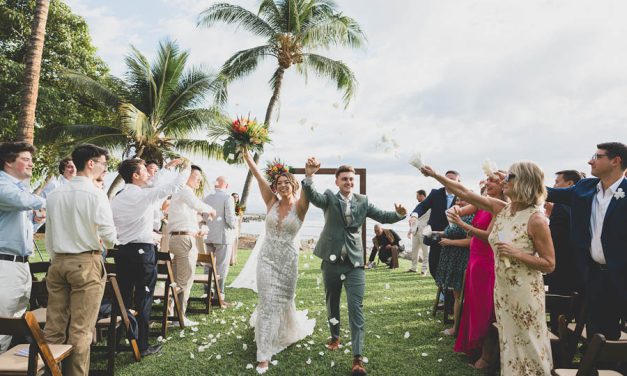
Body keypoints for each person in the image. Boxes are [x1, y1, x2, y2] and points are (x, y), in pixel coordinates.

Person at [421, 163, 555, 375]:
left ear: (524, 182)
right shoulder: (501, 209)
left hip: (524, 293)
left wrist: (517, 253)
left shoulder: (536, 219)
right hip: (502, 289)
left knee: (527, 342)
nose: (503, 181)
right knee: (508, 340)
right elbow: (464, 192)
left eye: (509, 177)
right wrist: (435, 175)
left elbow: (549, 263)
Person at [302, 158, 406, 376]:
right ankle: (335, 336)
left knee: (355, 307)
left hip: (355, 263)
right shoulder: (329, 198)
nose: (349, 182)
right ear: (337, 181)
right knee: (332, 302)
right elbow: (313, 197)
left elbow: (383, 216)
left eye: (351, 179)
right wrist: (309, 176)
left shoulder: (363, 201)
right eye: (345, 179)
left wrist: (399, 214)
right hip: (331, 261)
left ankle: (357, 358)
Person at [44, 144, 118, 376]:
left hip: (58, 263)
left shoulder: (55, 194)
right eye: (104, 164)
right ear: (90, 163)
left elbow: (49, 234)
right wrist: (107, 242)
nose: (105, 168)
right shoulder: (95, 194)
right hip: (85, 263)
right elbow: (110, 236)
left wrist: (56, 258)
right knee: (81, 330)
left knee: (54, 328)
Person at [241, 151, 315, 374]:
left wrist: (309, 175)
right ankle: (263, 355)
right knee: (267, 301)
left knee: (283, 301)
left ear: (293, 184)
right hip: (266, 259)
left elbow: (308, 190)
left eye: (286, 182)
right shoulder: (271, 201)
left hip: (287, 262)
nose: (282, 185)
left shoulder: (301, 207)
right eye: (279, 183)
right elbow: (257, 176)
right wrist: (246, 154)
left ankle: (280, 332)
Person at [546, 142, 627, 341]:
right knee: (599, 333)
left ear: (616, 161)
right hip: (596, 276)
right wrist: (522, 177)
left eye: (597, 156)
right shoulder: (584, 188)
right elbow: (550, 193)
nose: (590, 160)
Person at [111, 158, 188, 356]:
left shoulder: (118, 197)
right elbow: (174, 185)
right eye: (145, 171)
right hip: (142, 253)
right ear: (135, 176)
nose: (149, 174)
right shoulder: (143, 197)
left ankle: (121, 340)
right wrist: (185, 169)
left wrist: (168, 167)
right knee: (144, 299)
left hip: (122, 253)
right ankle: (142, 346)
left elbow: (154, 182)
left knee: (125, 298)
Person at [448, 174, 503, 368]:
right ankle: (473, 347)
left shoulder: (500, 206)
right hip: (474, 260)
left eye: (494, 181)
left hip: (487, 262)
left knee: (485, 309)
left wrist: (463, 226)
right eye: (487, 180)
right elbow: (463, 207)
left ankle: (487, 356)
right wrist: (456, 209)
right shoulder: (483, 202)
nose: (488, 183)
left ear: (504, 185)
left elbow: (488, 236)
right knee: (472, 305)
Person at [0, 142, 46, 353]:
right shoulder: (3, 185)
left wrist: (35, 221)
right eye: (25, 159)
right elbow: (19, 201)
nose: (31, 164)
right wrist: (49, 201)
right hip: (4, 264)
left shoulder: (19, 190)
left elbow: (17, 226)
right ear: (9, 162)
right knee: (3, 324)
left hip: (21, 265)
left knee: (14, 321)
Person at [167, 165, 216, 326]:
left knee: (175, 279)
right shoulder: (184, 189)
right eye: (196, 177)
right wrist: (211, 209)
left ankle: (171, 314)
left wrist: (198, 230)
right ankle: (179, 317)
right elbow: (196, 204)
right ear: (187, 175)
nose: (199, 181)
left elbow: (185, 219)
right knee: (184, 280)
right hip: (183, 240)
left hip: (180, 238)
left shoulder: (181, 193)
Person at [435, 198, 473, 336]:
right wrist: (438, 234)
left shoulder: (471, 217)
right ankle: (457, 326)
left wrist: (450, 242)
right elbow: (450, 232)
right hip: (451, 258)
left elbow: (471, 242)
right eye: (457, 200)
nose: (459, 202)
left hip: (462, 258)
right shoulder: (455, 216)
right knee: (456, 294)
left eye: (463, 200)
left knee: (460, 294)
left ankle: (457, 328)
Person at [411, 171, 460, 279]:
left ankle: (446, 294)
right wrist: (414, 215)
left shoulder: (463, 195)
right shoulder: (435, 193)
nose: (448, 181)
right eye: (446, 178)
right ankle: (441, 287)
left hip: (454, 238)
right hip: (435, 237)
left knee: (451, 270)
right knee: (433, 267)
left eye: (452, 179)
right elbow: (423, 206)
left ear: (458, 181)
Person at [544, 170, 584, 297]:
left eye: (557, 182)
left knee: (559, 308)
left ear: (569, 183)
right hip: (579, 268)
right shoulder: (582, 204)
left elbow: (555, 238)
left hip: (562, 268)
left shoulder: (560, 206)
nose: (554, 186)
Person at [202, 176, 236, 305]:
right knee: (222, 265)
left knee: (208, 265)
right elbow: (230, 218)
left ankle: (207, 292)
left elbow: (204, 215)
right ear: (226, 186)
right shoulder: (228, 197)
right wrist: (235, 225)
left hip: (209, 235)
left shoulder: (207, 197)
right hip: (223, 236)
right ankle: (219, 295)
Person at [407, 189, 430, 274]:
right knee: (414, 250)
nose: (417, 198)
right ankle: (413, 268)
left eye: (417, 196)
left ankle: (424, 270)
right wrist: (410, 231)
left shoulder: (430, 207)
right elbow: (414, 220)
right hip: (415, 232)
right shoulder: (418, 206)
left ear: (422, 195)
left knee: (425, 252)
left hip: (425, 232)